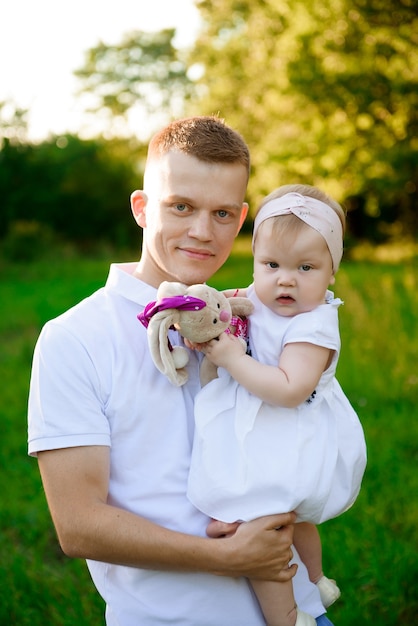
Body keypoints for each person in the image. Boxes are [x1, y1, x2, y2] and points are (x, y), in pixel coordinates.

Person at [28, 117, 333, 626]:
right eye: (181, 207)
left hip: (299, 606)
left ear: (240, 221)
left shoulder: (258, 315)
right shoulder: (74, 339)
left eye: (220, 214)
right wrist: (227, 558)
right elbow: (78, 524)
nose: (201, 232)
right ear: (142, 209)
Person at [186, 185, 367, 626]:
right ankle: (316, 577)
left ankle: (287, 616)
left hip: (290, 436)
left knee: (262, 524)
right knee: (290, 517)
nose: (284, 279)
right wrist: (221, 310)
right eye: (271, 265)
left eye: (305, 267)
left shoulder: (315, 325)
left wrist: (230, 356)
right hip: (264, 434)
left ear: (331, 273)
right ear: (256, 262)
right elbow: (238, 310)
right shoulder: (263, 296)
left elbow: (288, 388)